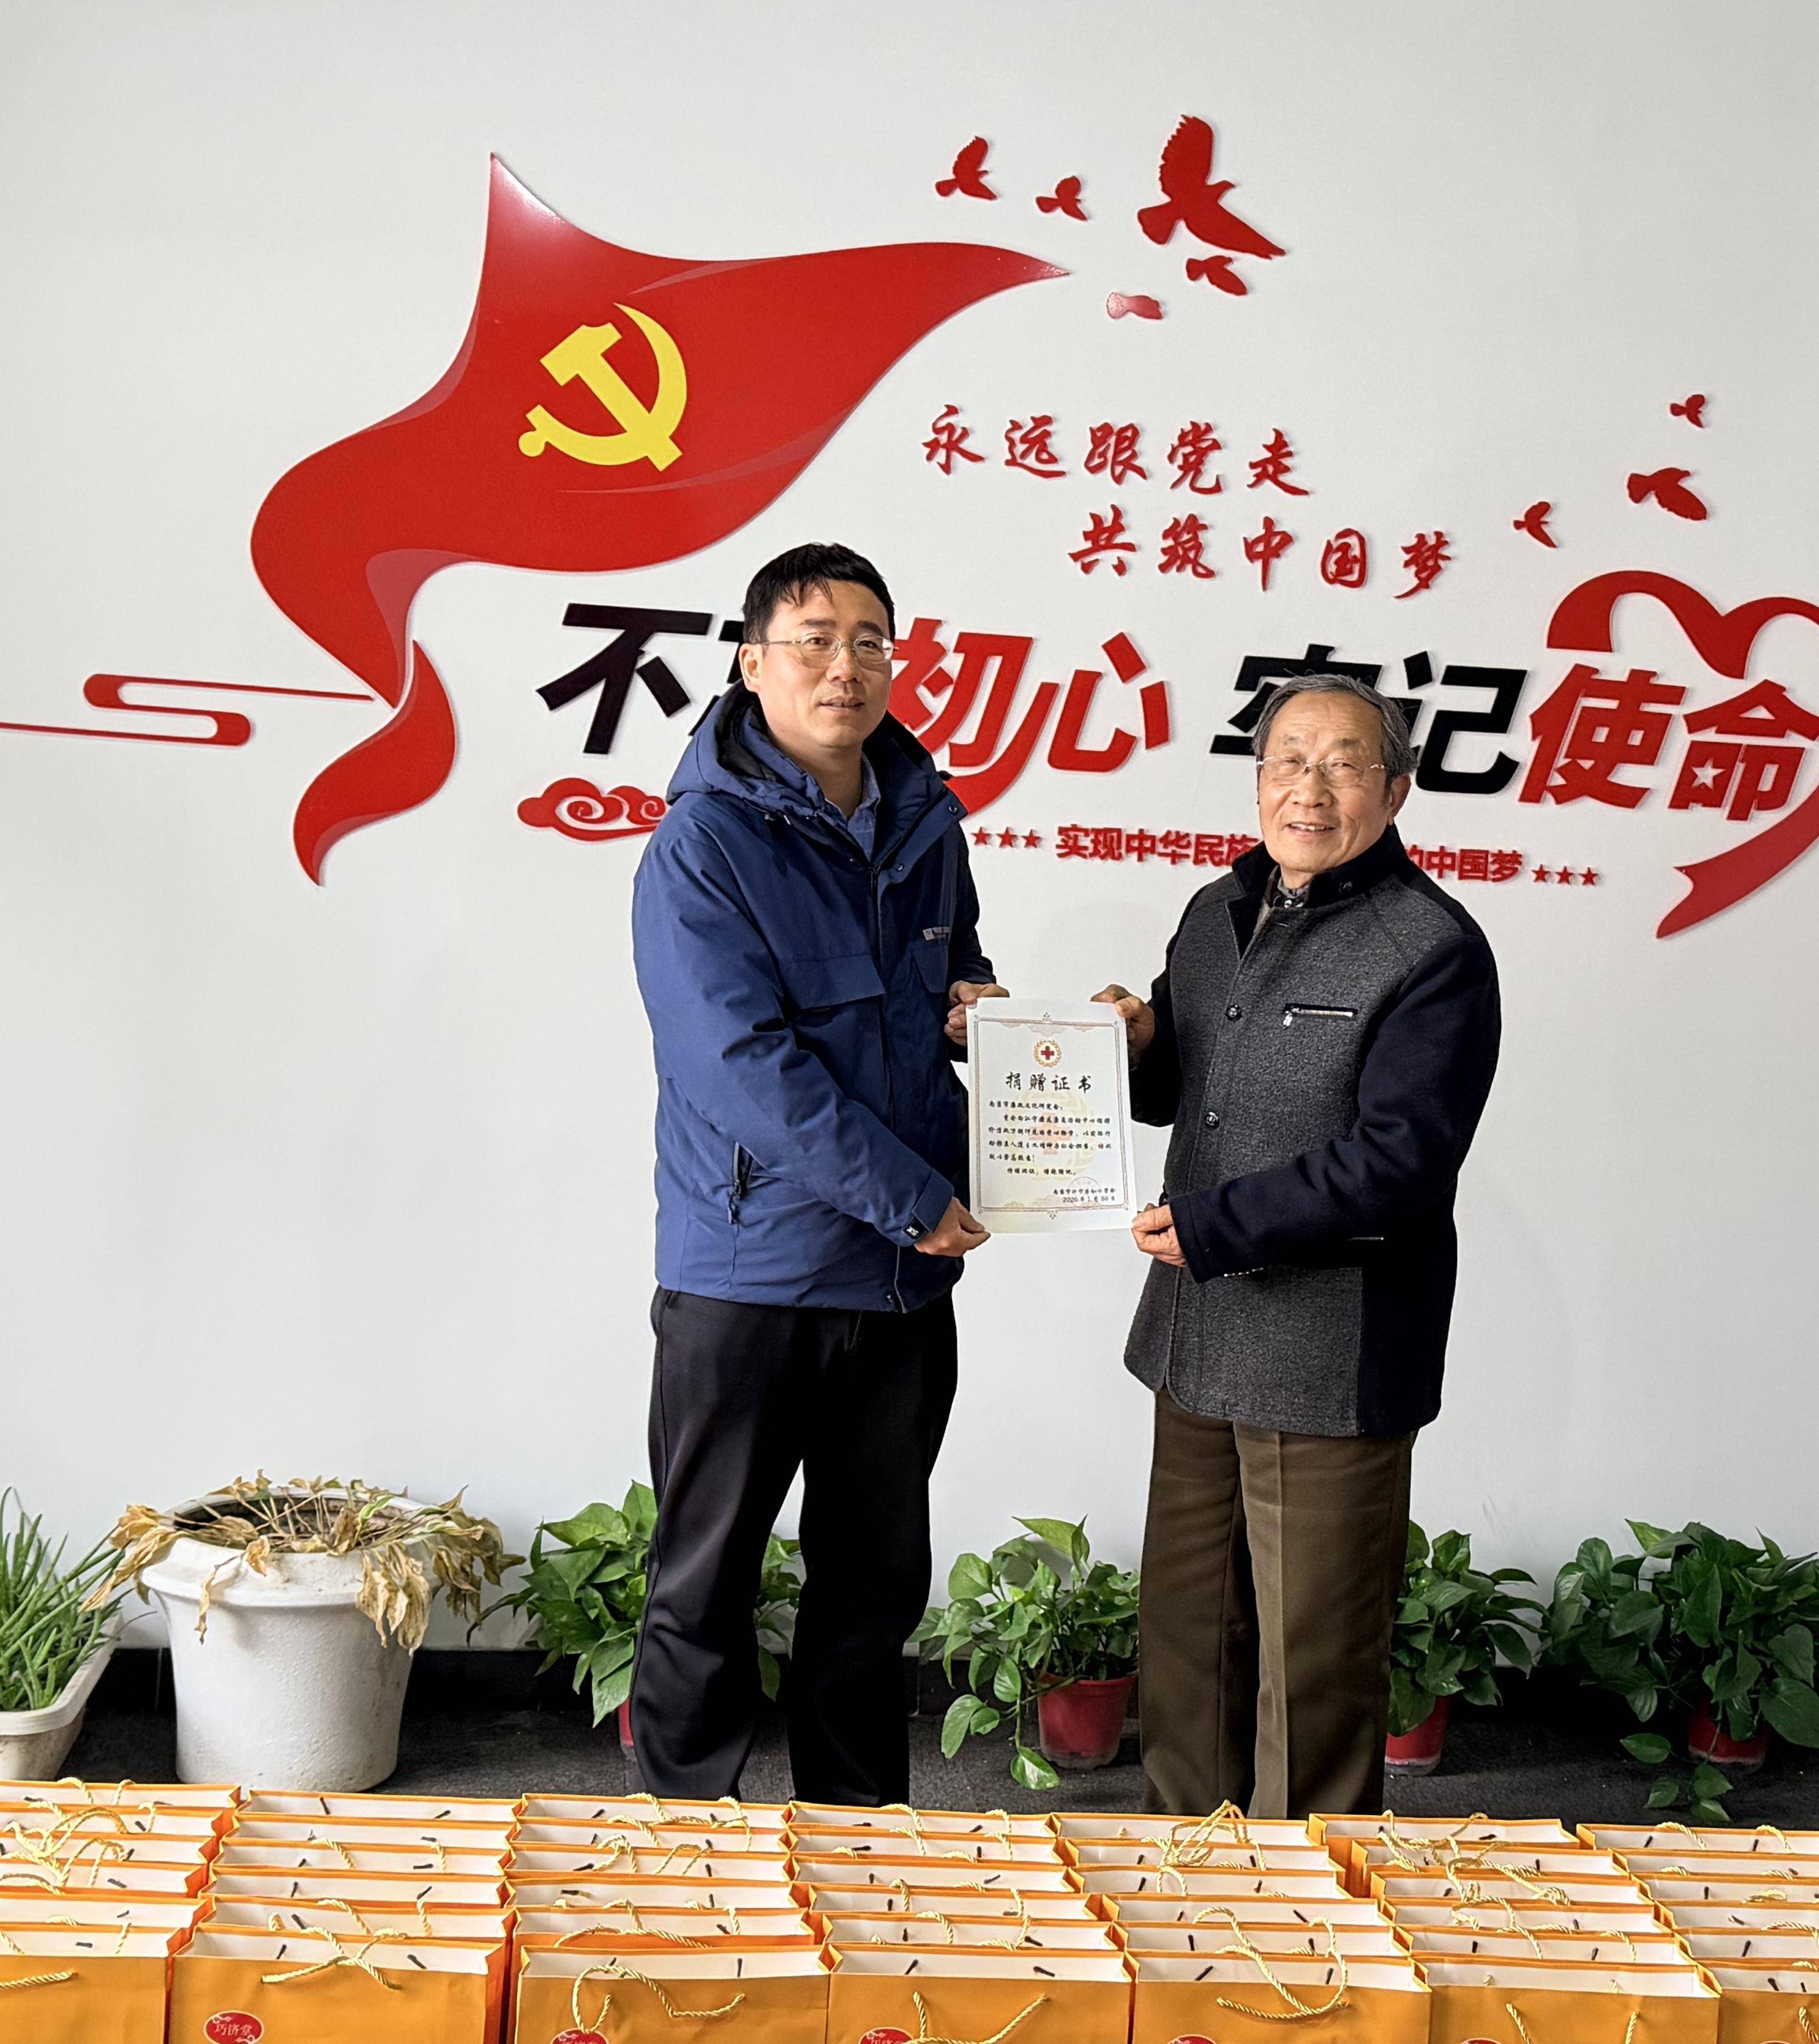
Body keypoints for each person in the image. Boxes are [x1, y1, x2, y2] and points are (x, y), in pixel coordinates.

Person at [627, 542, 1005, 1803]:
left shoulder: (924, 821)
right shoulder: (702, 844)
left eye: (869, 643)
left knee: (873, 1588)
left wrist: (984, 1012)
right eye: (814, 641)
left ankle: (858, 1844)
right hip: (754, 1276)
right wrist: (911, 1198)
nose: (845, 667)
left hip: (900, 1287)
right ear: (752, 664)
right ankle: (685, 1850)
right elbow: (741, 1066)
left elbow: (950, 977)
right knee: (705, 1583)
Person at [1096, 670, 1503, 1818]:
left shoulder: (1430, 949)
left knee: (1310, 1665)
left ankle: (1306, 1899)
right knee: (1190, 1642)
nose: (1308, 789)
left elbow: (1401, 1163)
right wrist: (1132, 1042)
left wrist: (1214, 1225)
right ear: (1259, 778)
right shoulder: (1215, 914)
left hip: (1330, 1354)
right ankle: (1186, 1869)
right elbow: (1184, 1089)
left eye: (1343, 765)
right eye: (1288, 761)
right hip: (1195, 1339)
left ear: (1397, 789)